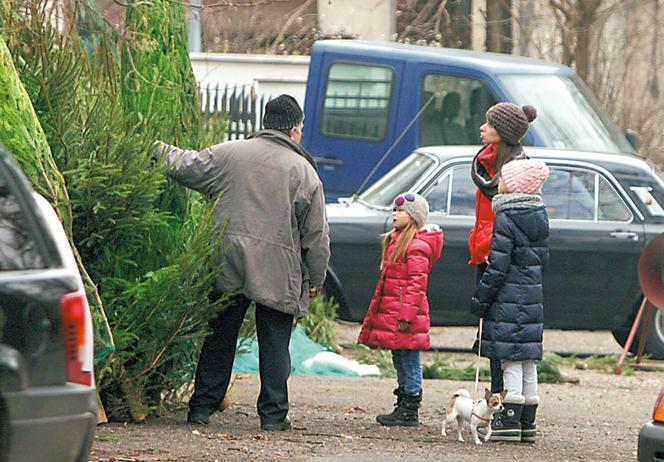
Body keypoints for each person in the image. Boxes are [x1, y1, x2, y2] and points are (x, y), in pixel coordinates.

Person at [153, 94, 330, 431]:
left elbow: (185, 165)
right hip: (277, 269)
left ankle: (202, 408)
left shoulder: (230, 154)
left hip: (226, 261)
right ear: (294, 130)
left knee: (219, 336)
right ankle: (273, 416)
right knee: (275, 343)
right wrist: (315, 279)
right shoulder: (304, 172)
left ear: (265, 123)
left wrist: (153, 146)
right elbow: (316, 236)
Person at [471, 159, 550, 443]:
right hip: (531, 296)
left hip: (508, 298)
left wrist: (481, 298)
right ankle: (528, 420)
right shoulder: (539, 215)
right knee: (527, 359)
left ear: (514, 186)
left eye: (503, 178)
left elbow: (499, 266)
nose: (498, 183)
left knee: (510, 361)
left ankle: (508, 420)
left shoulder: (506, 217)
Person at [468, 102, 538, 396]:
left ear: (505, 133)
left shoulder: (517, 171)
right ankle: (498, 395)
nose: (482, 129)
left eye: (490, 125)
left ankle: (503, 399)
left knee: (502, 333)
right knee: (493, 332)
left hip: (501, 255)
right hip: (484, 252)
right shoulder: (486, 162)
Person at [357, 192, 443, 427]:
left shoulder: (417, 247)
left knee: (409, 358)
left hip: (407, 314)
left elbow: (417, 284)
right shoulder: (396, 241)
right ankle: (403, 400)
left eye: (401, 211)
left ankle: (410, 405)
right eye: (394, 211)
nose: (395, 215)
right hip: (396, 311)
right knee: (400, 356)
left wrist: (406, 315)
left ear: (414, 217)